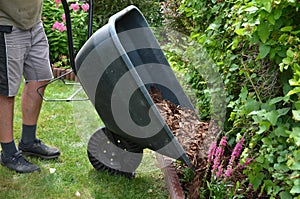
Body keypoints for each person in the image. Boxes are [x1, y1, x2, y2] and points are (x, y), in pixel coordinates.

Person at [0, 0, 60, 173]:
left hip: (34, 23)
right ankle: (8, 152)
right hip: (6, 25)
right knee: (6, 92)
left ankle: (28, 141)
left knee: (39, 79)